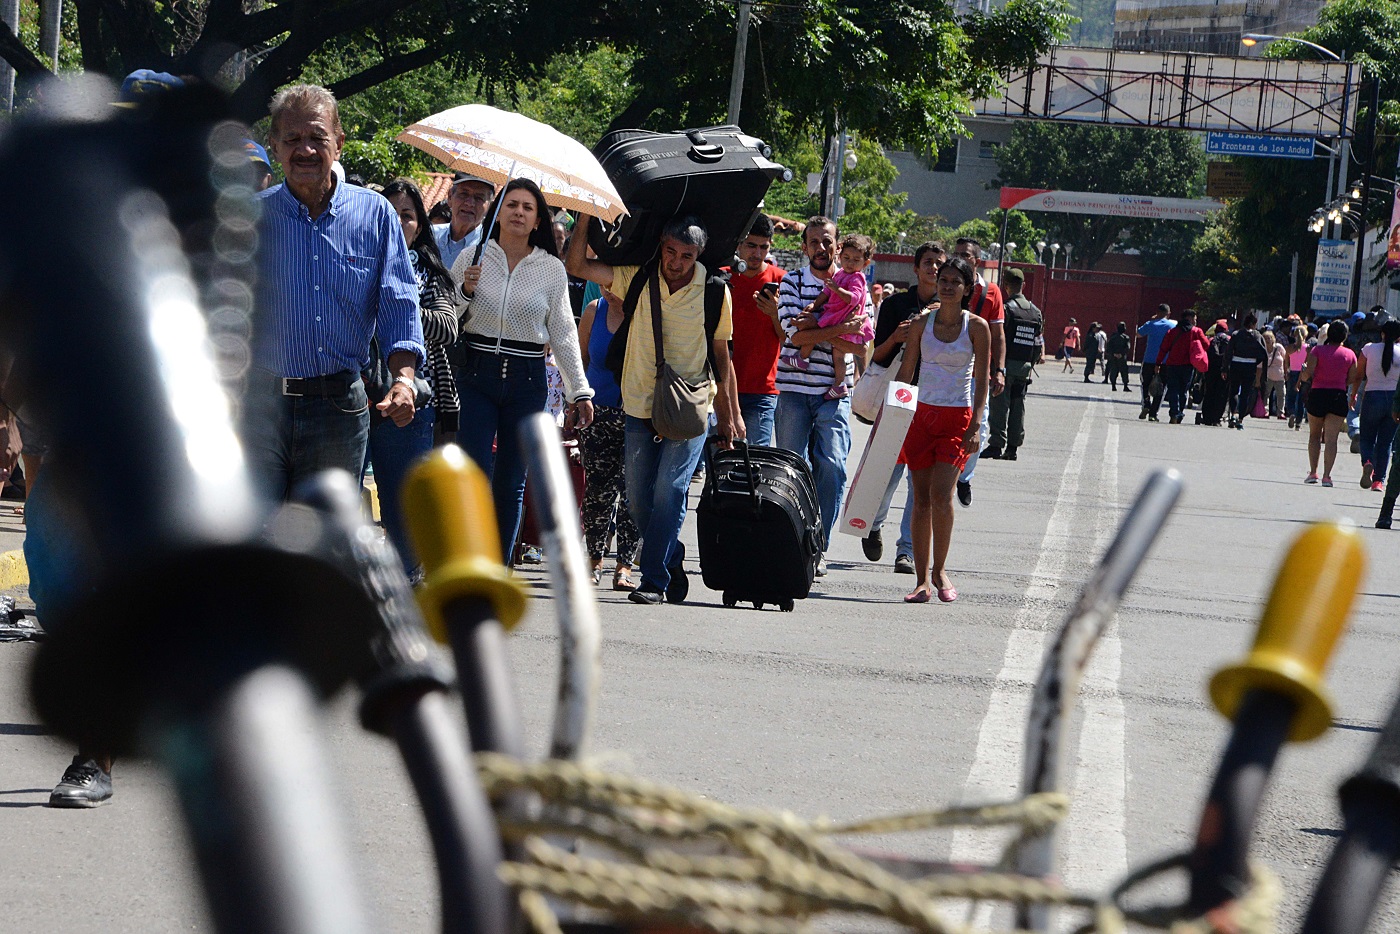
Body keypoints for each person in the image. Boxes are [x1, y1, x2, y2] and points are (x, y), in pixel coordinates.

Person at [247, 83, 424, 503]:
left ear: (339, 144)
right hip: (258, 410)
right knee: (255, 541)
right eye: (292, 139)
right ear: (274, 146)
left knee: (325, 544)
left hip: (339, 410)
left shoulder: (375, 214)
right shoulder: (251, 217)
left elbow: (399, 303)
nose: (304, 150)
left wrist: (403, 380)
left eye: (316, 138)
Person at [567, 214, 743, 606]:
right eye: (671, 252)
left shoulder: (714, 291)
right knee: (635, 497)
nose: (677, 262)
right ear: (661, 244)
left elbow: (721, 354)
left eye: (687, 255)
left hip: (690, 406)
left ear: (699, 255)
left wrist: (730, 413)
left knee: (670, 490)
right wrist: (583, 217)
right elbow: (577, 266)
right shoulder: (638, 277)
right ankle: (670, 554)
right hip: (639, 401)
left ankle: (654, 579)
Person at [453, 177, 595, 560]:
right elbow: (447, 316)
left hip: (526, 379)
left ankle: (498, 569)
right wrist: (465, 290)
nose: (518, 212)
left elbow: (564, 331)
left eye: (528, 208)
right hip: (476, 375)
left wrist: (578, 391)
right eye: (511, 204)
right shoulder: (473, 256)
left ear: (538, 221)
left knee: (511, 481)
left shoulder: (550, 269)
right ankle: (468, 561)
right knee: (474, 473)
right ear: (498, 213)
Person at [368, 178, 459, 572]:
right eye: (390, 213)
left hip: (410, 402)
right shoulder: (354, 263)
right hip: (350, 396)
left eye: (407, 215)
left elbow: (446, 326)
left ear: (419, 225)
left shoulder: (431, 273)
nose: (398, 222)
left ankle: (409, 593)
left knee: (403, 513)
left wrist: (399, 309)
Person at [774, 217, 868, 575]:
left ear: (838, 245)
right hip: (794, 391)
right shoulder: (792, 282)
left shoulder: (857, 283)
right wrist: (841, 329)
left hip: (834, 393)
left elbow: (861, 344)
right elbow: (792, 337)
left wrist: (823, 331)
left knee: (832, 466)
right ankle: (789, 540)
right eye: (813, 242)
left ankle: (817, 546)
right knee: (789, 468)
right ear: (804, 247)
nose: (821, 248)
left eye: (827, 242)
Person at [893, 256, 990, 604]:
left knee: (942, 495)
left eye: (955, 282)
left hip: (957, 418)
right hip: (921, 416)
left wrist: (977, 421)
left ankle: (940, 569)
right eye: (943, 280)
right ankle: (921, 581)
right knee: (919, 499)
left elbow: (982, 379)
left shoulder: (977, 327)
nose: (947, 286)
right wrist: (892, 413)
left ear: (967, 289)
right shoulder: (921, 324)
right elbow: (907, 371)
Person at [867, 242, 943, 570]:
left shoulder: (952, 312)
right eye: (927, 262)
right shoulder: (896, 305)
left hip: (934, 402)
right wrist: (896, 338)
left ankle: (907, 550)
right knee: (888, 472)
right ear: (916, 268)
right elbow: (879, 357)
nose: (934, 269)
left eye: (940, 264)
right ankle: (872, 524)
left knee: (920, 480)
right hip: (899, 396)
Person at [577, 291, 642, 590]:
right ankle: (594, 560)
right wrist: (574, 402)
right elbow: (580, 360)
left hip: (637, 413)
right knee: (598, 492)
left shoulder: (645, 310)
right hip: (597, 412)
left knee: (633, 492)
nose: (606, 285)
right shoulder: (594, 310)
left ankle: (625, 565)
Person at [948, 238, 1004, 508]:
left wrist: (999, 370)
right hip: (946, 370)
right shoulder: (945, 284)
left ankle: (964, 477)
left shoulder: (991, 292)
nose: (961, 258)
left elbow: (998, 334)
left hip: (977, 373)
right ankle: (944, 475)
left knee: (978, 428)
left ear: (976, 261)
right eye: (957, 254)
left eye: (966, 255)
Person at [788, 233, 875, 401]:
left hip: (841, 317)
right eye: (846, 258)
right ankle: (811, 365)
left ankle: (834, 381)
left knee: (834, 351)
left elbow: (854, 298)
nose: (850, 263)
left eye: (856, 260)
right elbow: (826, 292)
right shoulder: (840, 274)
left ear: (865, 263)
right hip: (834, 315)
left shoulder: (857, 278)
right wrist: (814, 305)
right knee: (834, 351)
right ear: (839, 256)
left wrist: (837, 290)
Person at [722, 214, 786, 445]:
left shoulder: (782, 280)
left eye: (763, 247)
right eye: (751, 245)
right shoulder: (721, 276)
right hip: (721, 386)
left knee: (758, 462)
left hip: (763, 390)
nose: (757, 253)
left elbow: (789, 339)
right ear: (739, 243)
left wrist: (775, 314)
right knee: (722, 462)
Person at [984, 268, 1043, 460]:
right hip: (1024, 368)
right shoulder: (1035, 312)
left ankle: (996, 445)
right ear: (1023, 285)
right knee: (1018, 408)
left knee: (1000, 406)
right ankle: (1012, 448)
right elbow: (1037, 342)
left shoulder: (1006, 308)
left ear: (1005, 285)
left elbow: (998, 337)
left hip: (1005, 366)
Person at [1300, 318, 1356, 487]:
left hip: (1318, 394)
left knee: (1314, 435)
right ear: (1344, 337)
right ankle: (1327, 476)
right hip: (1338, 396)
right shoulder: (1350, 354)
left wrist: (1304, 372)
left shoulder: (1317, 351)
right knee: (1331, 439)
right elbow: (1352, 378)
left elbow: (1307, 375)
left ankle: (1312, 472)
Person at [1353, 320, 1400, 491]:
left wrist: (1353, 396)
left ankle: (1367, 461)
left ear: (1382, 334)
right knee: (1386, 443)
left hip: (1373, 396)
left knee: (1367, 438)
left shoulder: (1369, 349)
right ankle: (1378, 481)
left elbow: (1358, 375)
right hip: (1394, 400)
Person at [433, 171, 497, 270]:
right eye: (464, 194)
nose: (470, 203)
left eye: (479, 198)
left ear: (489, 206)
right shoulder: (429, 235)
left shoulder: (489, 250)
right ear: (450, 197)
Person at [1155, 311, 1208, 424]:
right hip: (1188, 366)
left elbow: (1163, 349)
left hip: (1172, 365)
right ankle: (1179, 412)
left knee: (1173, 389)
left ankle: (1174, 412)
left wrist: (1158, 363)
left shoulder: (1172, 331)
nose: (1195, 321)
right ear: (1189, 318)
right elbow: (1207, 345)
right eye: (1194, 318)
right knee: (1183, 390)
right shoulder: (1196, 331)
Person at [1223, 313, 1267, 430]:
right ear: (1253, 324)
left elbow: (1228, 352)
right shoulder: (1257, 336)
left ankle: (1233, 414)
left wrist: (1225, 368)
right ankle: (1240, 419)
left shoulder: (1236, 334)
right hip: (1250, 366)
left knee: (1234, 391)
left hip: (1236, 364)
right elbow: (1264, 353)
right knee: (1245, 393)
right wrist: (1257, 362)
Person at [1137, 304, 1174, 420]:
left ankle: (1146, 404)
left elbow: (1138, 334)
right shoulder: (1173, 325)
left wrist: (1151, 320)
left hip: (1149, 359)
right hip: (1165, 361)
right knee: (1162, 387)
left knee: (1145, 384)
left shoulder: (1150, 324)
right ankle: (1153, 413)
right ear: (1169, 314)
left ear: (1157, 312)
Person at [1286, 318, 1309, 429]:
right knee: (1301, 399)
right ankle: (1298, 422)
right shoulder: (1308, 348)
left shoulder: (1290, 348)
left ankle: (1291, 413)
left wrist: (1286, 370)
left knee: (1290, 396)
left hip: (1292, 373)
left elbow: (1286, 361)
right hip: (1304, 374)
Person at [1262, 329, 1288, 418]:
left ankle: (1281, 412)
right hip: (1268, 376)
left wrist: (1286, 371)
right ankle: (1265, 411)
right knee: (1266, 394)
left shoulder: (1279, 347)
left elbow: (1285, 360)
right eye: (1265, 338)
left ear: (1273, 339)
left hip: (1280, 376)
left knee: (1281, 394)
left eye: (1269, 338)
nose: (1267, 340)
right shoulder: (1263, 349)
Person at [1105, 322, 1131, 391]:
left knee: (1114, 371)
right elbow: (1127, 347)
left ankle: (1113, 385)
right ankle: (1125, 386)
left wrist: (1113, 354)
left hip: (1113, 357)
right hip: (1122, 357)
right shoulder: (1126, 337)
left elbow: (1108, 347)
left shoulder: (1113, 337)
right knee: (1124, 371)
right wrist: (1121, 354)